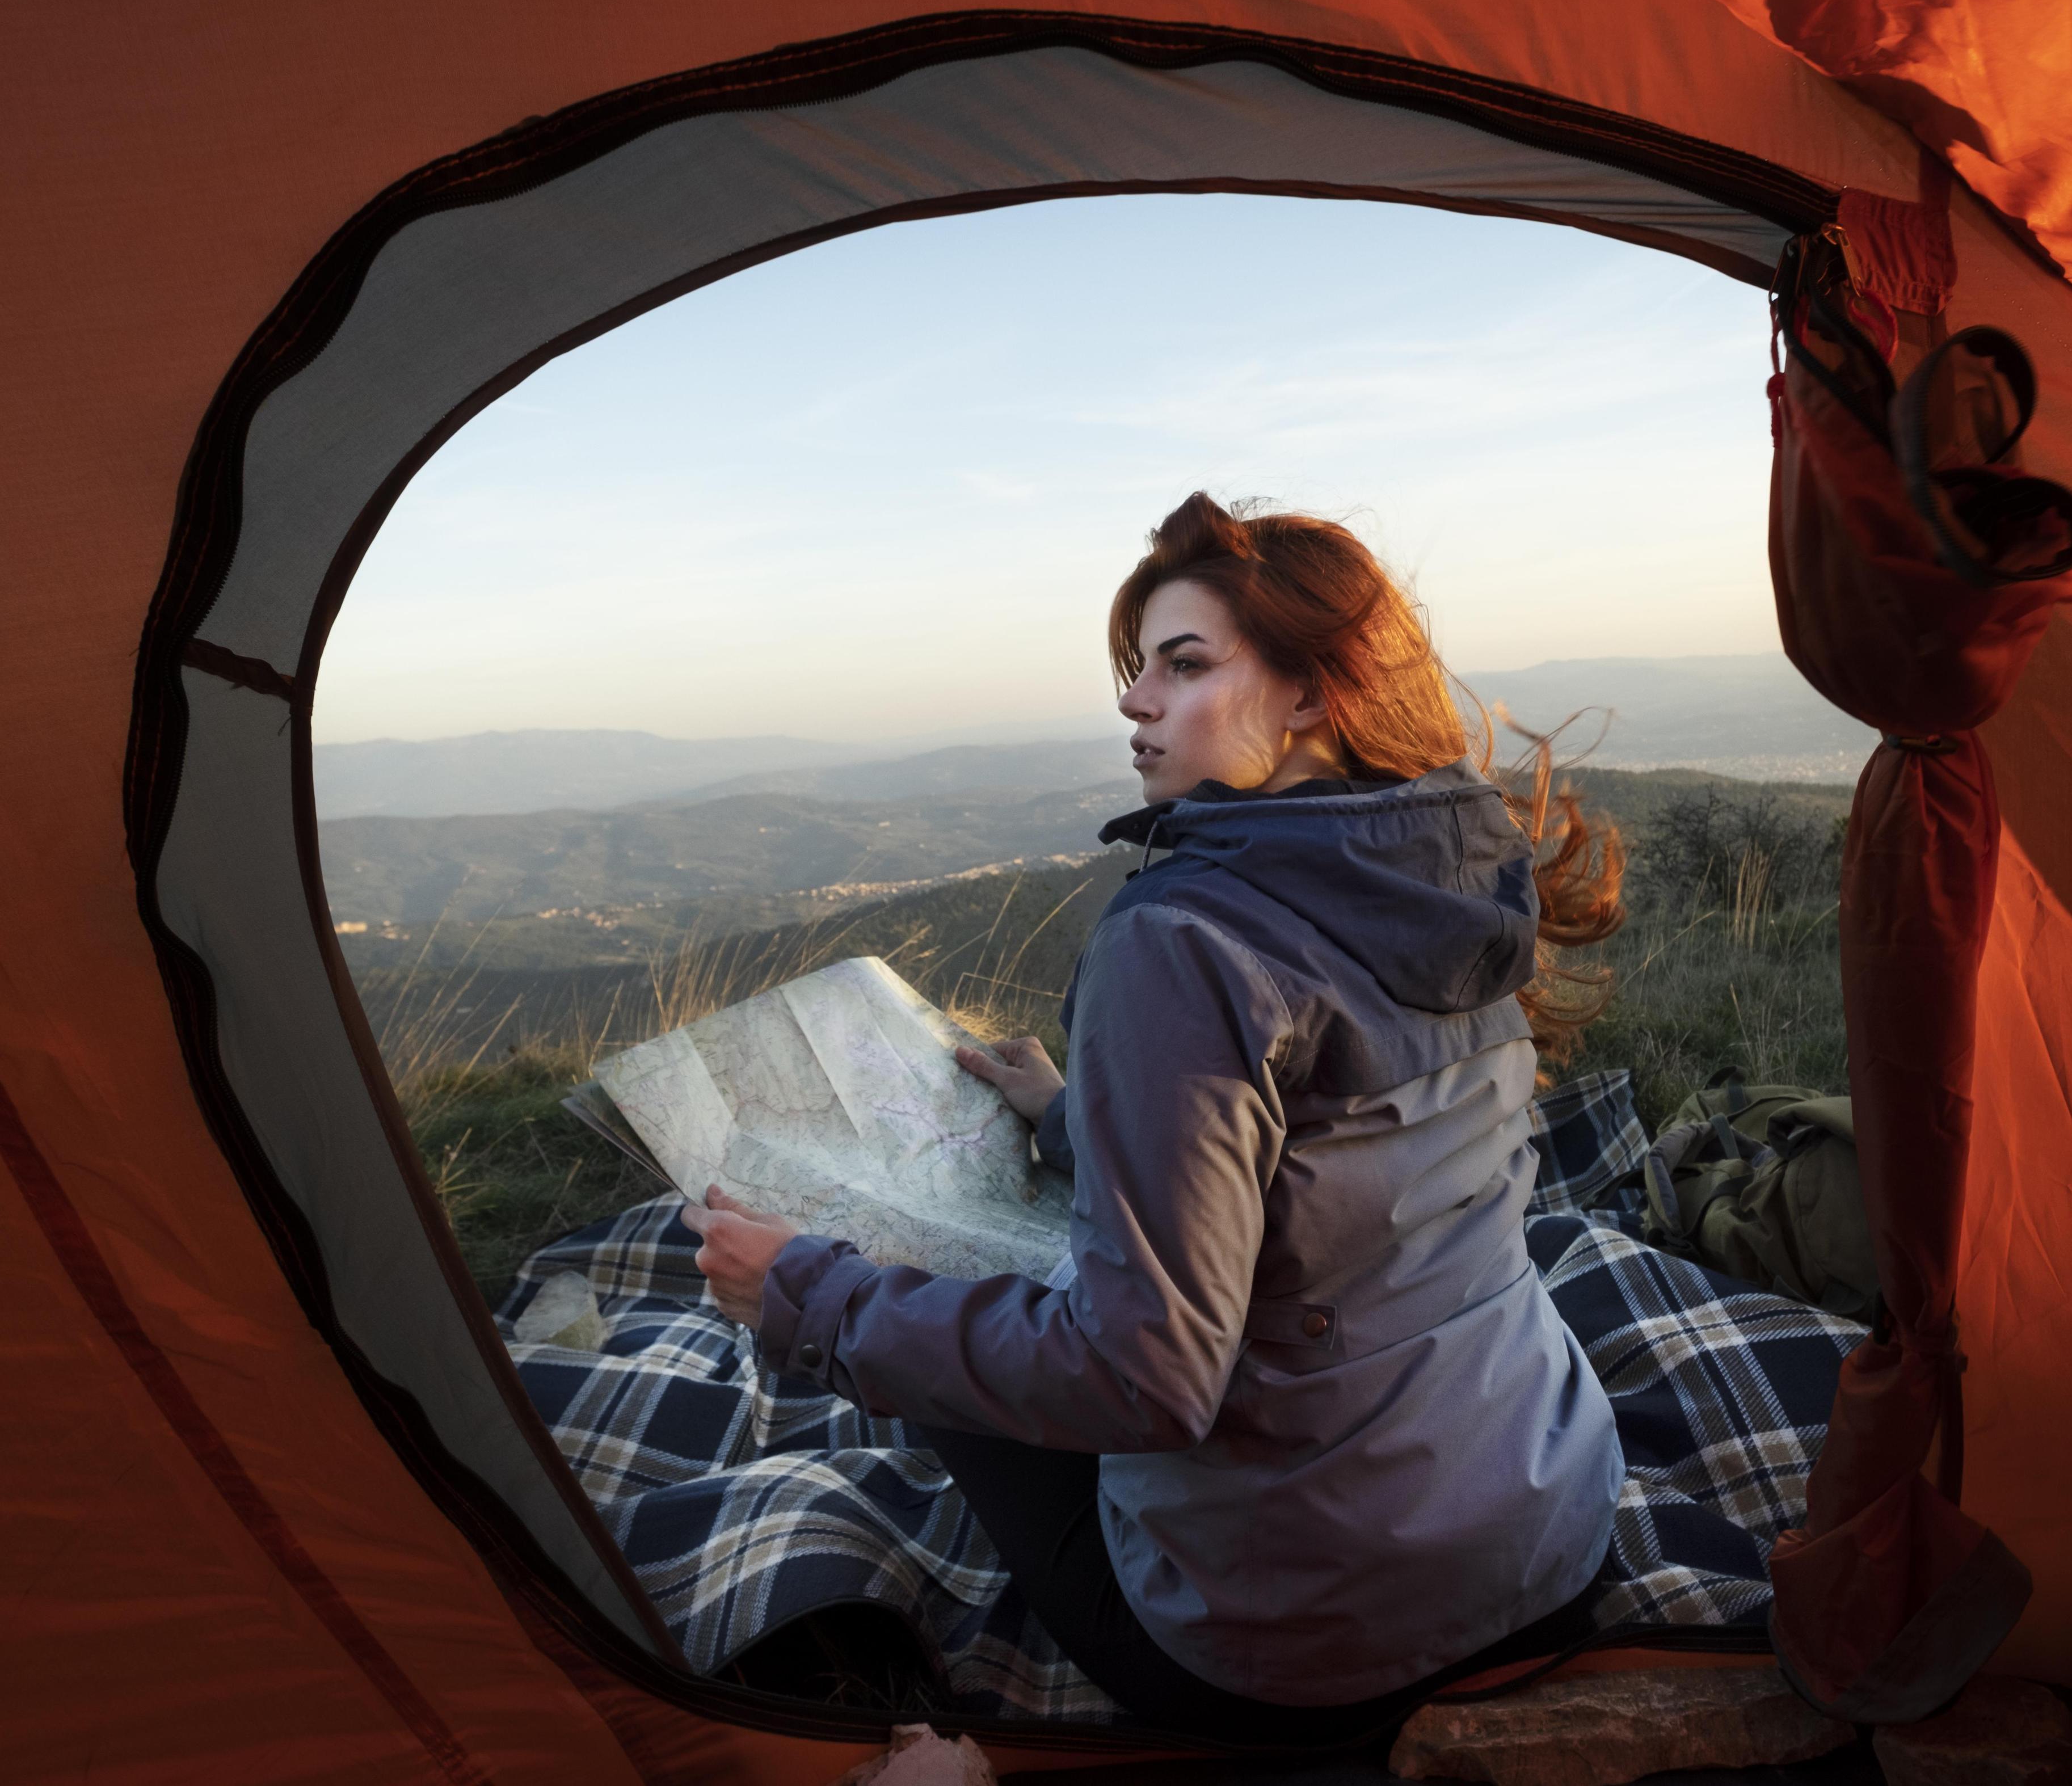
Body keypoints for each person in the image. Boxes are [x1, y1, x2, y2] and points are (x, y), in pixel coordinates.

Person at [684, 493, 1628, 1743]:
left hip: (1309, 1643)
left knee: (931, 1320)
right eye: (1139, 666)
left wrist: (809, 1297)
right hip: (1552, 1533)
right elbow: (1323, 1163)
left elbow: (1142, 1380)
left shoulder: (1183, 941)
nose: (1134, 699)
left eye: (1183, 664)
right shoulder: (1453, 873)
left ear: (1313, 691)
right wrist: (1078, 1113)